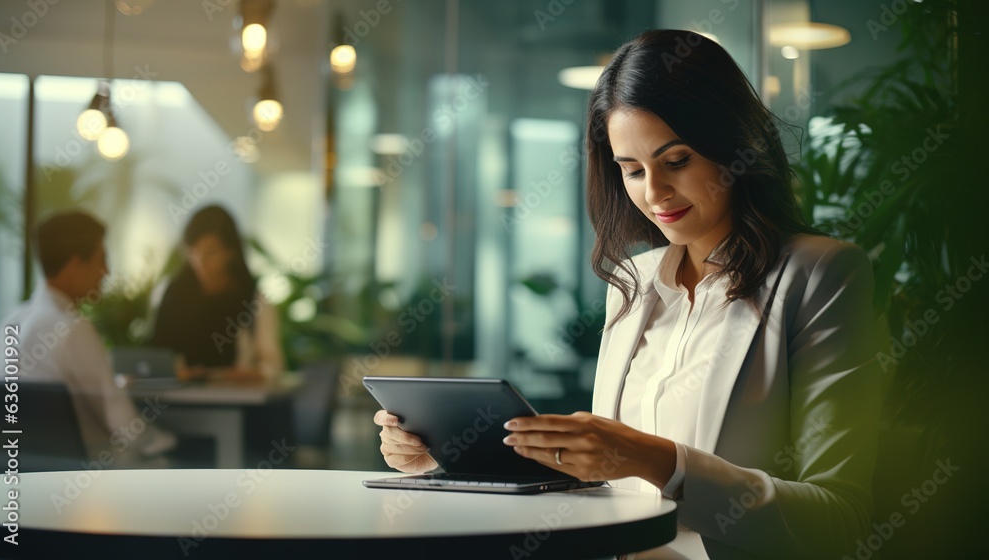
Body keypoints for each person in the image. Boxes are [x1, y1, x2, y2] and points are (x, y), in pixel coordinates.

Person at [373, 30, 883, 559]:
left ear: (733, 146)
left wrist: (660, 460)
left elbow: (837, 520)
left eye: (677, 160)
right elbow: (610, 487)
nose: (655, 193)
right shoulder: (634, 283)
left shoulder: (819, 273)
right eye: (632, 170)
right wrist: (451, 456)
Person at [0, 211, 177, 467]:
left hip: (18, 477)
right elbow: (125, 427)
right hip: (85, 480)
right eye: (101, 259)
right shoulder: (71, 327)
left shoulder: (8, 323)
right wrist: (171, 441)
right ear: (75, 266)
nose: (107, 272)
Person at [151, 205, 283, 382]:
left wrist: (236, 375)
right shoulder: (172, 294)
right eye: (194, 252)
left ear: (230, 252)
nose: (201, 263)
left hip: (234, 402)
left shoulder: (253, 300)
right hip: (174, 403)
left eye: (211, 253)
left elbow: (272, 367)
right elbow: (156, 355)